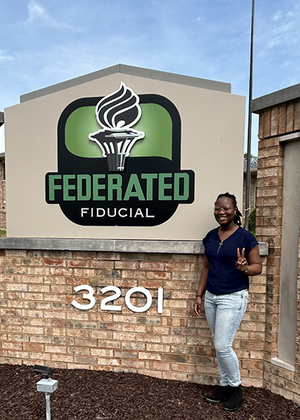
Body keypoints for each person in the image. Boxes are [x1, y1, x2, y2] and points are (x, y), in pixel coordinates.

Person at [194, 192, 262, 412]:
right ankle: (225, 386)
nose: (221, 212)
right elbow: (206, 266)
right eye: (217, 208)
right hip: (212, 297)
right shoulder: (211, 237)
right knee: (219, 345)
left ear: (235, 210)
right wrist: (199, 294)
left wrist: (244, 268)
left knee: (223, 346)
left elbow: (257, 267)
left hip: (233, 296)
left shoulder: (245, 238)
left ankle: (236, 388)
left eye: (226, 208)